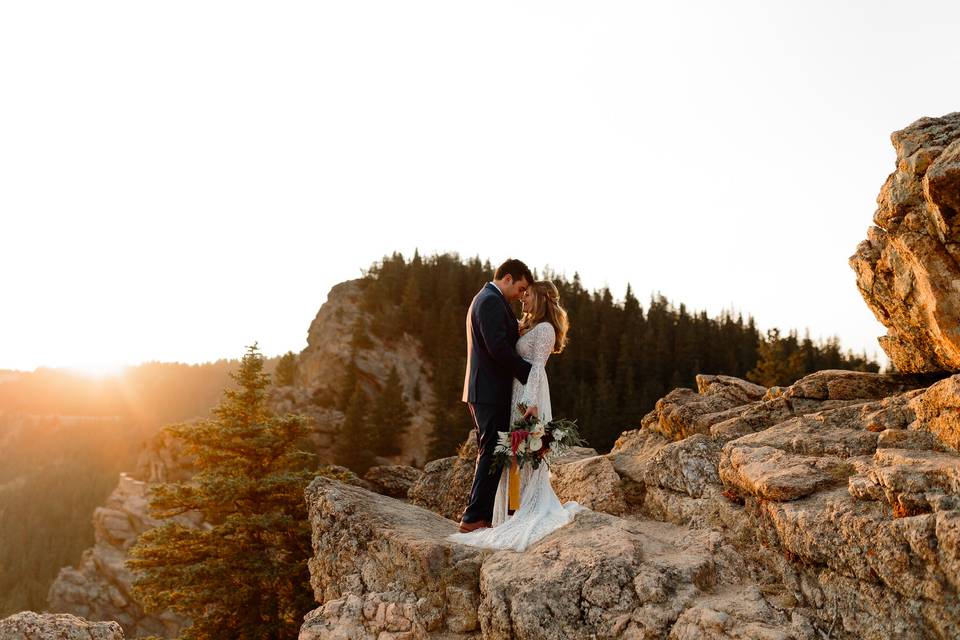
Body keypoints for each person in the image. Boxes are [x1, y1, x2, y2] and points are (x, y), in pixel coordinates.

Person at [449, 277, 587, 551]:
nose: (523, 298)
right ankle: (508, 510)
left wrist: (528, 404)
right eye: (522, 292)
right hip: (516, 392)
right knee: (510, 453)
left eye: (528, 294)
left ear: (541, 298)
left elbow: (536, 368)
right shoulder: (530, 325)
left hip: (529, 394)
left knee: (521, 452)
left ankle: (522, 507)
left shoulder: (546, 328)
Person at [455, 258, 534, 533]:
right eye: (521, 287)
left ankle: (479, 515)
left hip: (484, 389)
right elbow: (497, 347)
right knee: (491, 451)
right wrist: (531, 372)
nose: (521, 295)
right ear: (508, 278)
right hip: (488, 390)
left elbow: (500, 338)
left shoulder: (488, 298)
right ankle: (474, 517)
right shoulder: (489, 300)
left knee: (490, 450)